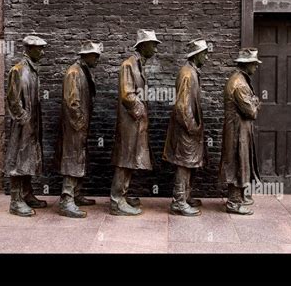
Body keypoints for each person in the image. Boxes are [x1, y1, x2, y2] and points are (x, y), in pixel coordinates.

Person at [110, 29, 160, 216]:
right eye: (153, 44)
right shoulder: (128, 65)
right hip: (129, 124)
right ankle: (116, 201)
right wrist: (141, 111)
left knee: (130, 160)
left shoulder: (138, 64)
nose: (155, 49)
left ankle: (123, 194)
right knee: (124, 160)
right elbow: (127, 94)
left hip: (135, 124)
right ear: (143, 45)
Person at [55, 41, 103, 218]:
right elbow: (72, 102)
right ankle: (66, 200)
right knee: (72, 160)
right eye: (95, 55)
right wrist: (80, 122)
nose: (97, 59)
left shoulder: (83, 71)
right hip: (74, 127)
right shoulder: (74, 72)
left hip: (79, 127)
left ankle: (77, 193)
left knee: (79, 158)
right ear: (85, 56)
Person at [163, 39, 208, 216]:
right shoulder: (187, 74)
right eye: (204, 53)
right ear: (196, 55)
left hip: (189, 129)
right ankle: (179, 202)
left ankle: (186, 196)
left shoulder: (192, 72)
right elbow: (182, 106)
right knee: (183, 164)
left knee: (189, 163)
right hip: (186, 130)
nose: (206, 57)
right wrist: (192, 127)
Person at [5, 35, 48, 217]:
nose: (43, 52)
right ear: (29, 49)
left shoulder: (32, 70)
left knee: (29, 158)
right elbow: (13, 99)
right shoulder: (18, 70)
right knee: (18, 159)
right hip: (23, 125)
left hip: (32, 124)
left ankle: (27, 193)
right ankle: (15, 201)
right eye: (39, 49)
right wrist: (23, 119)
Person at [219, 47, 262, 215]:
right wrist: (256, 103)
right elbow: (251, 111)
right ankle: (234, 202)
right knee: (237, 162)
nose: (256, 67)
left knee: (241, 162)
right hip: (237, 131)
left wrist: (254, 102)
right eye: (254, 64)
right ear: (247, 64)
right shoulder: (239, 84)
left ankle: (240, 197)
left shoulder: (241, 80)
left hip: (240, 130)